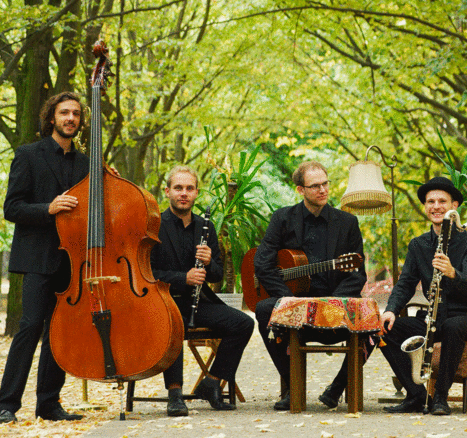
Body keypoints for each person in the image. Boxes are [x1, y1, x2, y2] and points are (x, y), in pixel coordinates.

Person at [0, 92, 89, 424]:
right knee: (30, 327)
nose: (71, 118)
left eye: (76, 114)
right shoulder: (28, 155)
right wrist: (48, 208)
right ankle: (6, 404)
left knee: (58, 333)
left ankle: (48, 404)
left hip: (74, 261)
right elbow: (12, 208)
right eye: (65, 113)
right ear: (52, 117)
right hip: (38, 258)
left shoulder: (86, 163)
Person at [253, 161, 369, 411]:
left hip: (332, 303)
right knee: (263, 309)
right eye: (315, 186)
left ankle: (336, 388)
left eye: (325, 184)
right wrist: (287, 299)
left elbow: (357, 274)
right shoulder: (283, 218)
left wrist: (335, 301)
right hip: (295, 305)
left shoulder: (347, 222)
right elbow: (262, 263)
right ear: (300, 190)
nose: (323, 190)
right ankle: (294, 386)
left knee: (370, 318)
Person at [150, 166, 254, 417]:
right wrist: (182, 278)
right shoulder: (153, 225)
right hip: (164, 301)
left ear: (196, 192)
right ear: (167, 192)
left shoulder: (205, 227)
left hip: (199, 302)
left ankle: (212, 382)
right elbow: (147, 272)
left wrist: (209, 263)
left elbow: (217, 274)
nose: (183, 193)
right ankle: (175, 394)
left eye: (189, 188)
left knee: (243, 324)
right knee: (174, 324)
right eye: (178, 188)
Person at [378, 176, 467, 415]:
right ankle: (417, 395)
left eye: (442, 201)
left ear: (454, 206)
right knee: (384, 330)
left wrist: (453, 273)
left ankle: (440, 399)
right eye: (431, 201)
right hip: (432, 317)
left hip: (464, 315)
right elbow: (405, 284)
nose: (436, 206)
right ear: (425, 207)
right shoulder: (418, 245)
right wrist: (391, 310)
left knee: (454, 327)